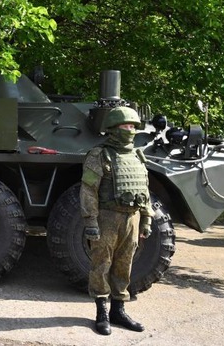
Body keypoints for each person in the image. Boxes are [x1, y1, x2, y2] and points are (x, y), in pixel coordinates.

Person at [80, 106, 155, 336]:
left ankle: (118, 310)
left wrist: (146, 219)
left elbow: (144, 189)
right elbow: (88, 190)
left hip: (131, 217)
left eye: (133, 126)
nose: (130, 130)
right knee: (101, 264)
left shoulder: (136, 155)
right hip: (107, 217)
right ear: (113, 129)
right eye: (126, 126)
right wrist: (90, 221)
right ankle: (102, 312)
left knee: (125, 264)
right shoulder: (99, 154)